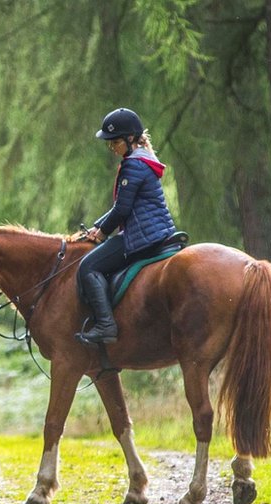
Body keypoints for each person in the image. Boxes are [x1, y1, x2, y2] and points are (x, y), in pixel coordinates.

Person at [76, 107, 176, 345]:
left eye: (115, 142)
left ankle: (105, 325)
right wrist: (97, 227)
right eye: (109, 144)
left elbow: (122, 209)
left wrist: (101, 234)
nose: (112, 148)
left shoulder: (133, 165)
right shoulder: (141, 160)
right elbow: (122, 207)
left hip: (142, 237)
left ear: (130, 139)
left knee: (87, 267)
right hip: (156, 230)